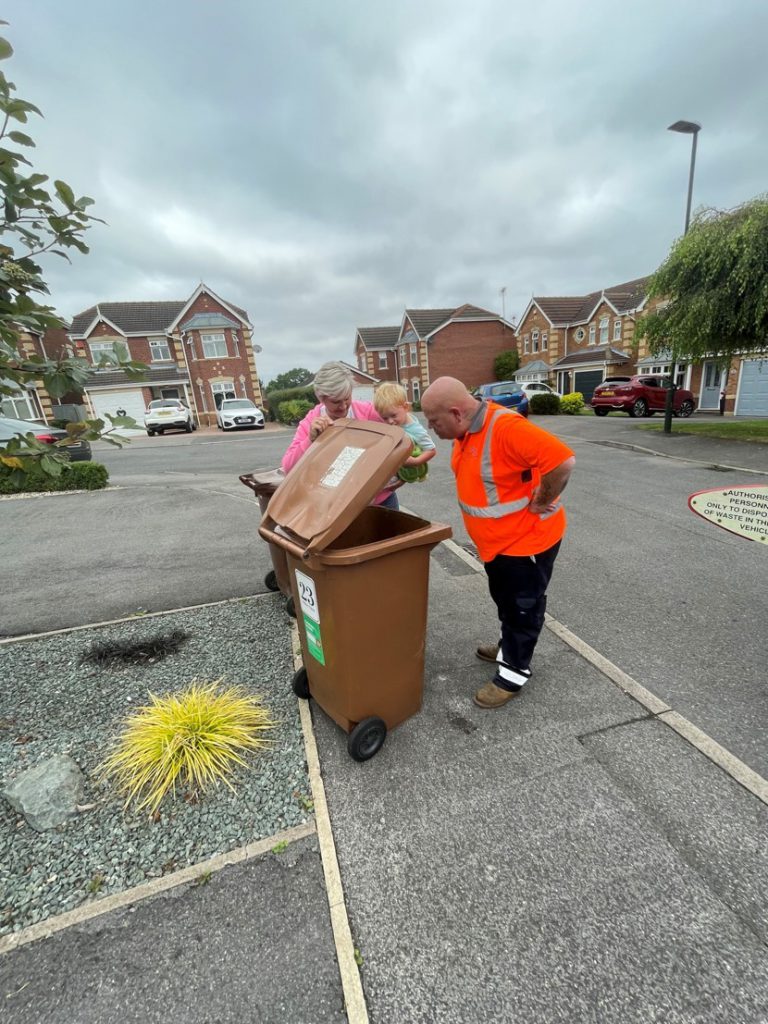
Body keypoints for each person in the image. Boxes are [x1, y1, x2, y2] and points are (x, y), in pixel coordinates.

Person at [421, 376, 575, 709]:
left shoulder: (505, 428)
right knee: (507, 602)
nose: (431, 429)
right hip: (499, 547)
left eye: (434, 421)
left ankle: (513, 673)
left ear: (456, 412)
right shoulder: (466, 432)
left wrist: (540, 500)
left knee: (523, 607)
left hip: (526, 544)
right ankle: (509, 647)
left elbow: (562, 462)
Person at [280, 361, 400, 509]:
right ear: (321, 398)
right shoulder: (310, 422)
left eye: (347, 398)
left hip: (379, 500)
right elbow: (288, 467)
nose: (343, 406)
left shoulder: (367, 412)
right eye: (336, 402)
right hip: (336, 506)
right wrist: (310, 440)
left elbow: (402, 429)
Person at [373, 382, 436, 483]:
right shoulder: (396, 422)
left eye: (393, 416)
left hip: (410, 468)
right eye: (385, 418)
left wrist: (416, 461)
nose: (390, 421)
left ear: (406, 407)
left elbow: (431, 450)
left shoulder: (416, 430)